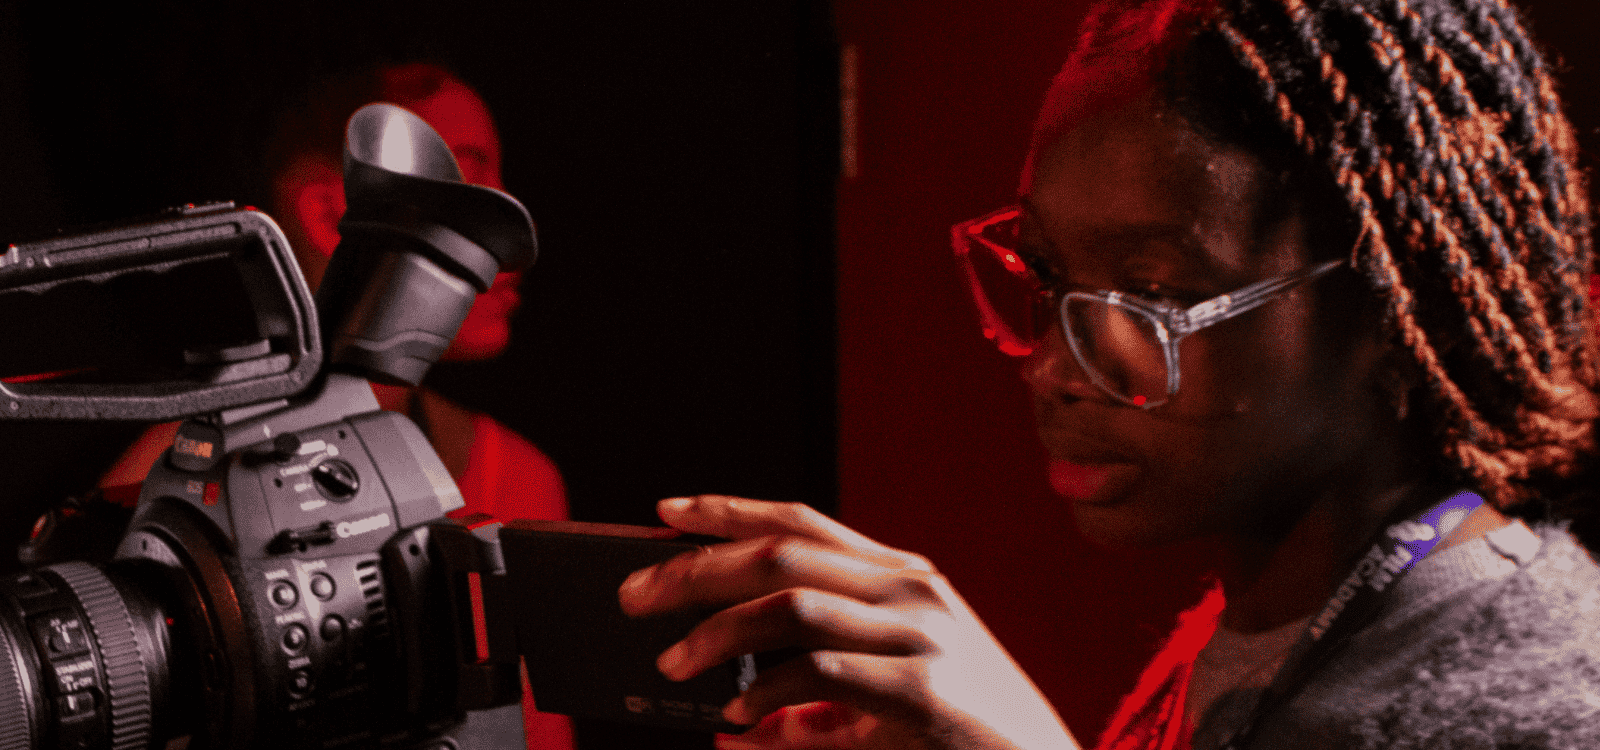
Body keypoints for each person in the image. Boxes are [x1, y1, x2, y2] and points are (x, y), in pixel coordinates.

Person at [616, 0, 1600, 748]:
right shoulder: (1257, 615)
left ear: (1394, 303)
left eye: (1151, 293)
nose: (1052, 368)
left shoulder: (1547, 692)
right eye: (1046, 276)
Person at [100, 62, 574, 749]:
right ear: (329, 214)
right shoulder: (176, 478)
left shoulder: (524, 479)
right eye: (470, 173)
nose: (511, 237)